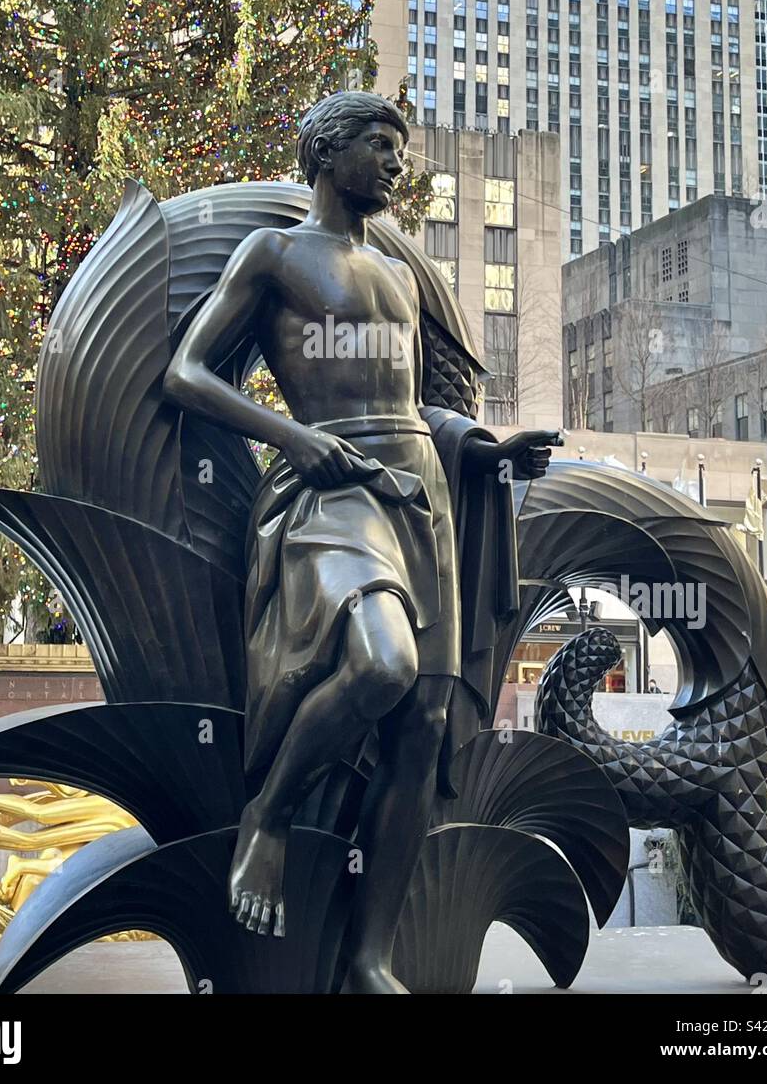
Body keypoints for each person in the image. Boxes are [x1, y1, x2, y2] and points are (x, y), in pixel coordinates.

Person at [163, 91, 559, 992]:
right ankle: (266, 817)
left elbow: (416, 403)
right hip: (332, 488)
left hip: (418, 490)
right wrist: (292, 437)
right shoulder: (273, 254)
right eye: (379, 147)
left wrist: (486, 447)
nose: (393, 163)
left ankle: (369, 955)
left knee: (421, 724)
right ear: (327, 152)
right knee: (380, 667)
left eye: (398, 149)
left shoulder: (402, 275)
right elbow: (185, 372)